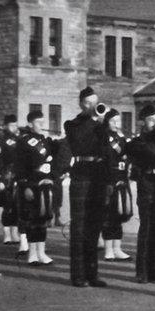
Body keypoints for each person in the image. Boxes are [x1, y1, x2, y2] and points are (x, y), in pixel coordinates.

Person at [64, 87, 108, 288]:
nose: (93, 106)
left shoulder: (101, 125)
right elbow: (78, 139)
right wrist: (92, 119)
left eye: (95, 102)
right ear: (81, 104)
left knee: (94, 226)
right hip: (81, 175)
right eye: (89, 103)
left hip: (98, 175)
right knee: (79, 227)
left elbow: (108, 147)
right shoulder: (73, 124)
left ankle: (92, 273)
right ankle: (78, 275)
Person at [126, 105, 155, 284]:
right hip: (147, 186)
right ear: (142, 122)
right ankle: (142, 271)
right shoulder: (137, 142)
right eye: (151, 120)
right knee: (147, 229)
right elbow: (150, 153)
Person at [15, 111, 57, 266]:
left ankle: (42, 252)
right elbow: (19, 167)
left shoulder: (46, 141)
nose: (42, 125)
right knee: (32, 220)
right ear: (31, 124)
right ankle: (32, 254)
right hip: (31, 186)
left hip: (44, 186)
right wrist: (25, 186)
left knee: (43, 219)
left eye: (42, 122)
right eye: (38, 122)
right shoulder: (23, 142)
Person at [98, 109, 132, 262]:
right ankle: (108, 249)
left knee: (119, 215)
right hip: (108, 179)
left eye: (118, 121)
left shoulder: (121, 139)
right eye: (113, 121)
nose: (116, 124)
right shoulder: (103, 138)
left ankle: (117, 248)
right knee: (107, 215)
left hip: (121, 179)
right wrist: (106, 182)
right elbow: (104, 161)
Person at [0, 114, 23, 248]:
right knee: (7, 205)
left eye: (15, 125)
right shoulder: (0, 139)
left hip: (17, 175)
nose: (14, 127)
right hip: (6, 176)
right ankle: (6, 233)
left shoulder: (19, 138)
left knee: (16, 205)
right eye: (11, 125)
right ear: (5, 126)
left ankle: (14, 232)